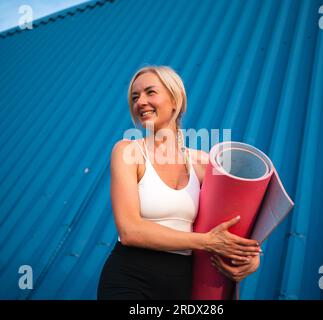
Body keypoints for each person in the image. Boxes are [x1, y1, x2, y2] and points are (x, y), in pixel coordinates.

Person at [97, 66, 261, 300]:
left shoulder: (204, 163)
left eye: (150, 92)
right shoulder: (127, 151)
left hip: (182, 284)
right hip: (130, 276)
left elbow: (237, 222)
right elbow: (130, 230)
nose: (140, 102)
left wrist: (250, 257)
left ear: (175, 100)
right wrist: (206, 242)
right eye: (135, 97)